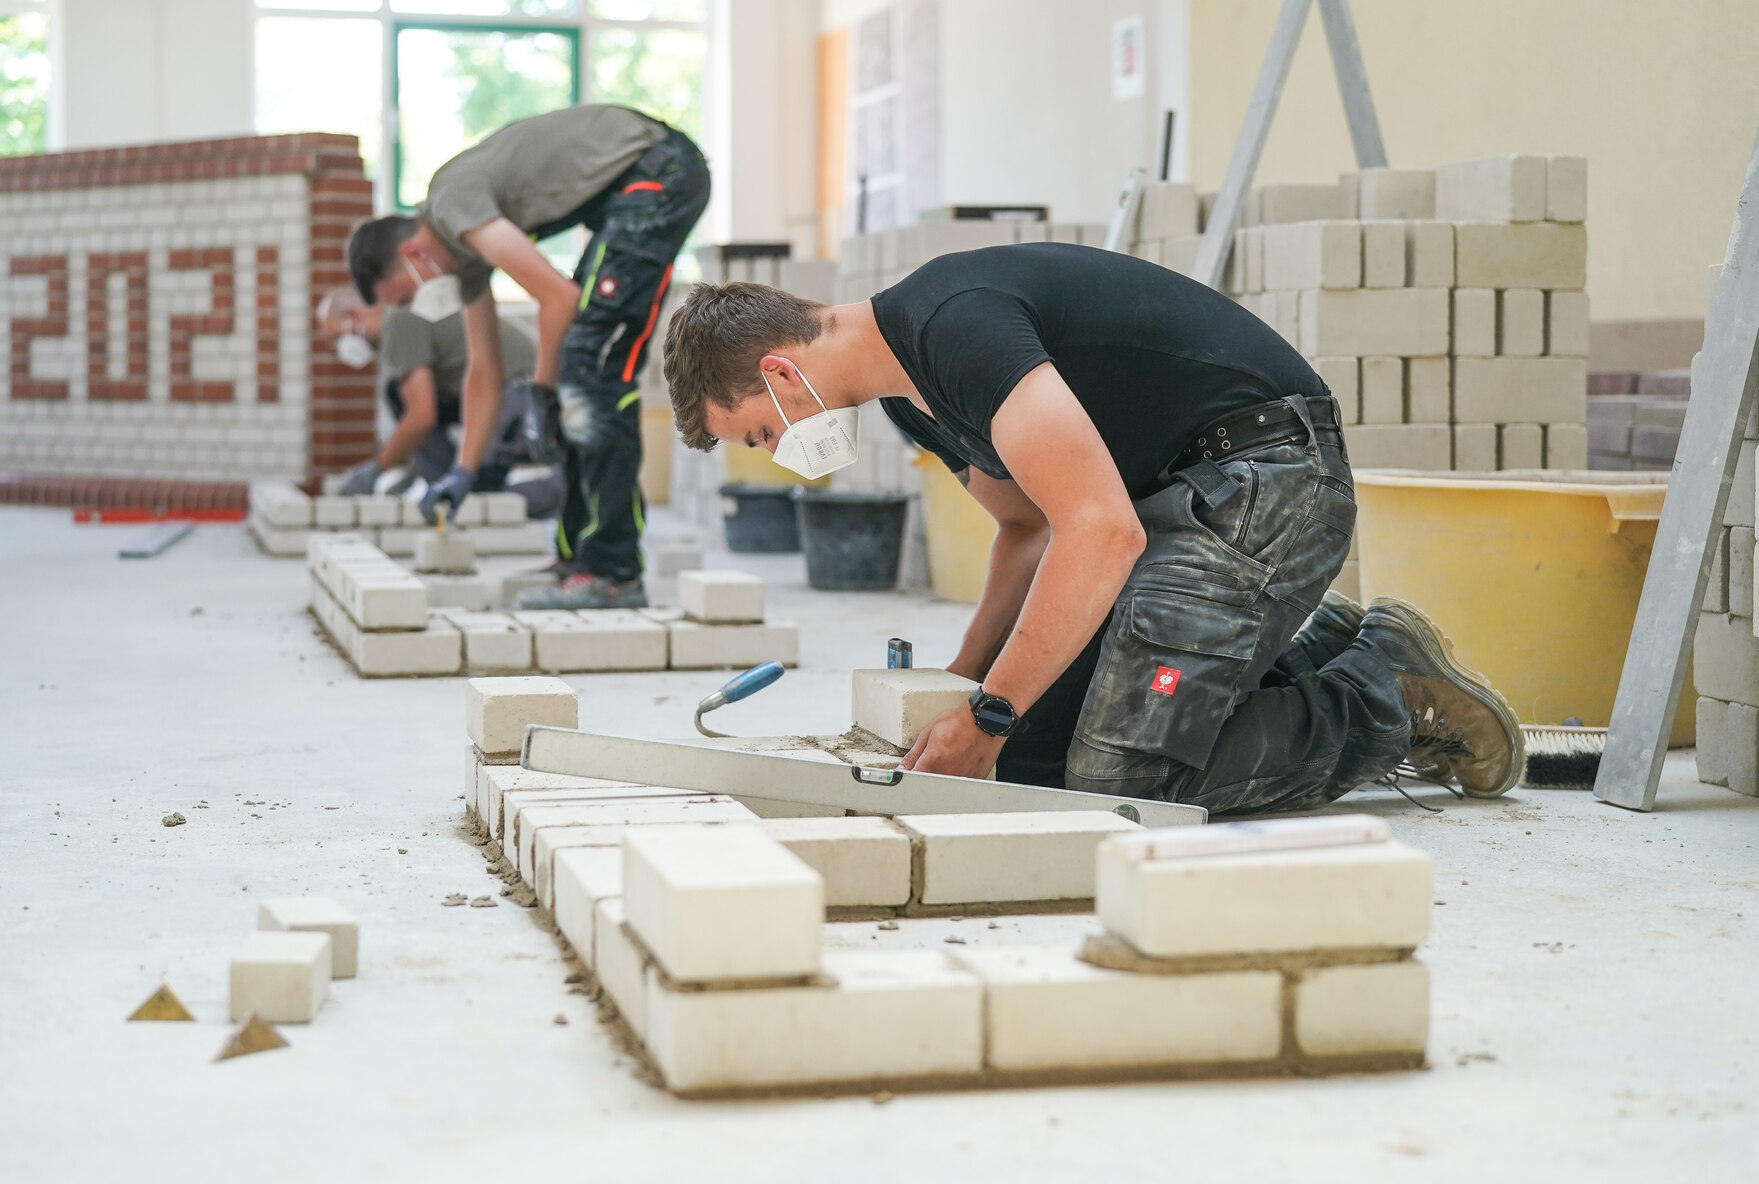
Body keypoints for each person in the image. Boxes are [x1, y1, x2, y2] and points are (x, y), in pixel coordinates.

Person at [659, 242, 1525, 815]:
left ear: (778, 370)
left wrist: (987, 712)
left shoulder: (950, 325)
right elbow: (1026, 530)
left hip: (1266, 482)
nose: (778, 454)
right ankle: (1317, 645)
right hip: (1180, 508)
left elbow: (1098, 533)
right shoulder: (911, 397)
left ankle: (1382, 692)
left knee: (1124, 783)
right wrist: (964, 688)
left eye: (762, 433)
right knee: (1030, 757)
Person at [345, 103, 710, 609]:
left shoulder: (451, 206)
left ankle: (613, 569)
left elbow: (556, 298)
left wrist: (541, 391)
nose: (414, 309)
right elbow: (484, 371)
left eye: (404, 297)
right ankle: (578, 558)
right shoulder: (464, 260)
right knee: (578, 363)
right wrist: (464, 471)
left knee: (589, 365)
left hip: (658, 168)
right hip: (629, 186)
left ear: (412, 256)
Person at [317, 288, 559, 515]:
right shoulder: (405, 317)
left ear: (354, 316)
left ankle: (560, 491)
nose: (340, 349)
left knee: (477, 501)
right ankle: (445, 482)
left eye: (337, 337)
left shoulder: (397, 322)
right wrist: (413, 471)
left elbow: (421, 416)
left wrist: (377, 469)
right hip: (509, 390)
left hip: (522, 393)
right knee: (398, 394)